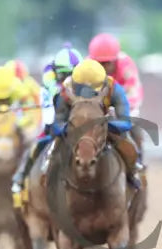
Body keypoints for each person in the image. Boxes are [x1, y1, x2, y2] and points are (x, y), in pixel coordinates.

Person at [47, 59, 145, 190]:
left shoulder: (113, 88)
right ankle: (49, 178)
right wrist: (71, 126)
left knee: (128, 144)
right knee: (53, 148)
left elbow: (126, 122)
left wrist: (105, 124)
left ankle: (132, 172)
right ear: (75, 86)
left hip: (102, 126)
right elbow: (57, 124)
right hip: (75, 130)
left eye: (92, 91)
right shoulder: (65, 92)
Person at [12, 46, 83, 206]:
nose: (67, 79)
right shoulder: (50, 84)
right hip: (54, 125)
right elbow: (51, 116)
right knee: (35, 147)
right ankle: (20, 179)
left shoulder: (87, 82)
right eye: (63, 75)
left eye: (71, 75)